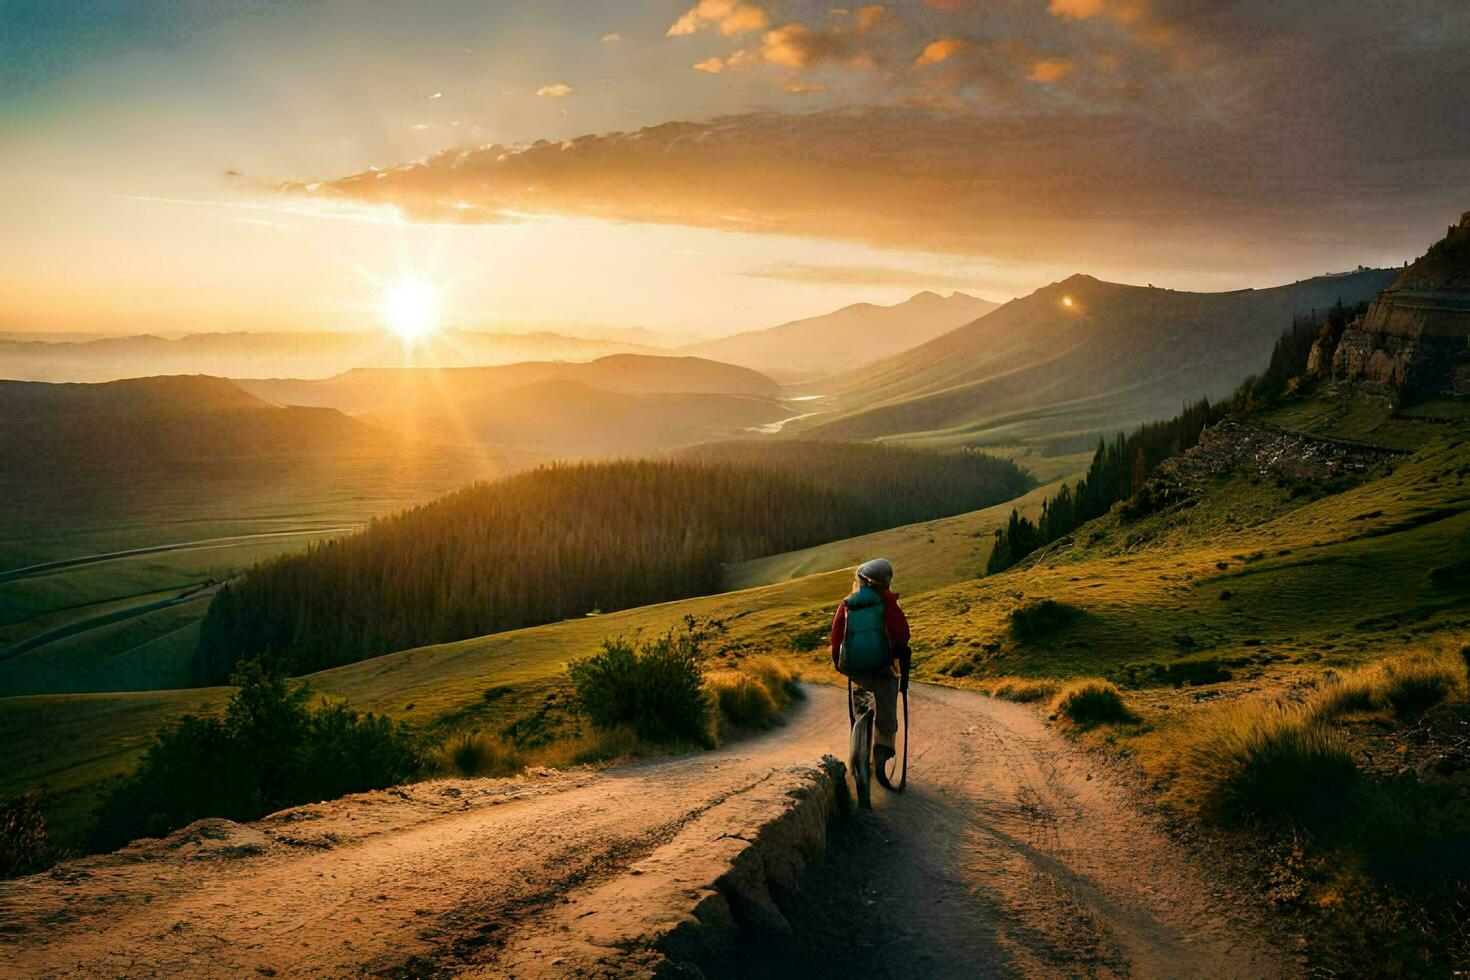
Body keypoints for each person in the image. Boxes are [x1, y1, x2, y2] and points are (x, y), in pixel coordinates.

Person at [830, 557, 911, 773]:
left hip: (855, 670)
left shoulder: (848, 604)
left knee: (860, 702)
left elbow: (836, 639)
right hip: (882, 670)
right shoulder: (887, 603)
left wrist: (841, 665)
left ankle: (859, 746)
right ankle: (882, 753)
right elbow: (902, 635)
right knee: (887, 703)